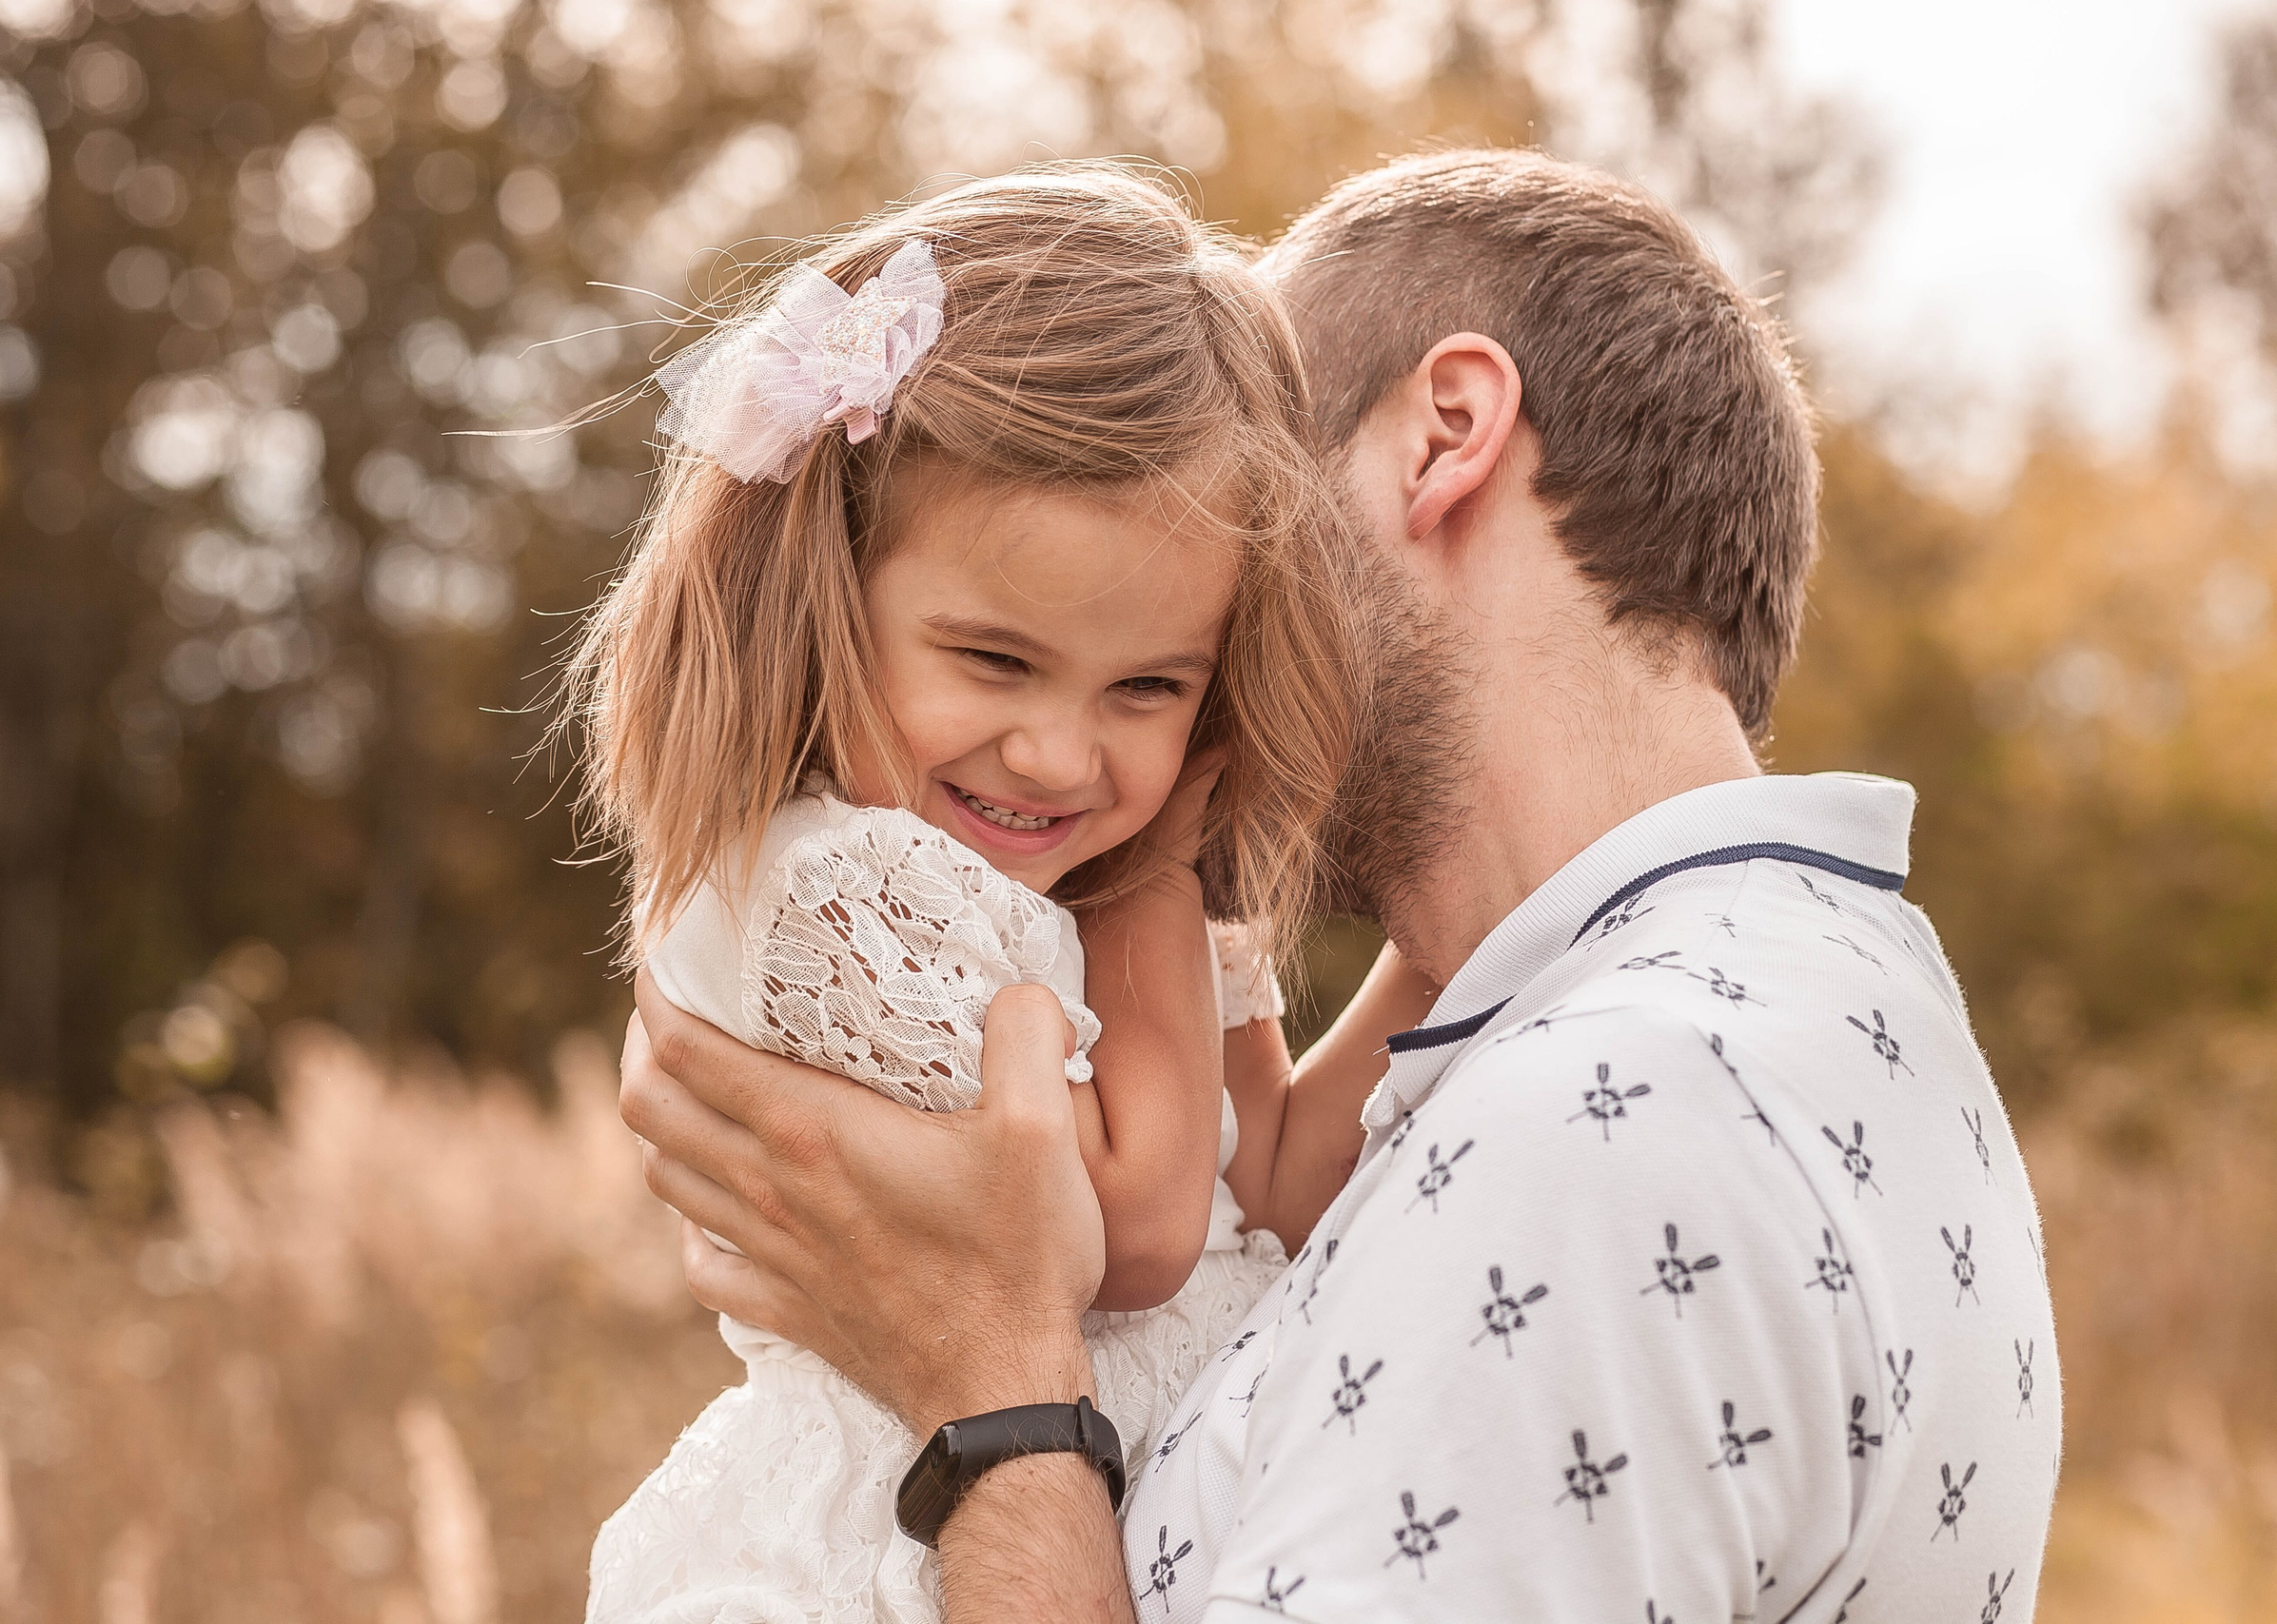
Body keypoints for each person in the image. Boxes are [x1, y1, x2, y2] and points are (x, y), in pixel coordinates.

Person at [619, 147, 2063, 1622]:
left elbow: (1152, 1227)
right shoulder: (1820, 1012)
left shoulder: (1616, 1122)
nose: (1231, 583)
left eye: (1258, 474)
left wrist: (992, 1389)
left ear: (1447, 435)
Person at [569, 165, 1401, 1621]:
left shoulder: (1078, 879)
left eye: (1150, 686)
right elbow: (1127, 1240)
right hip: (902, 1562)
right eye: (994, 662)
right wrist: (1158, 874)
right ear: (825, 588)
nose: (1060, 753)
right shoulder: (846, 891)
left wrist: (1509, 916)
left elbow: (1265, 1173)